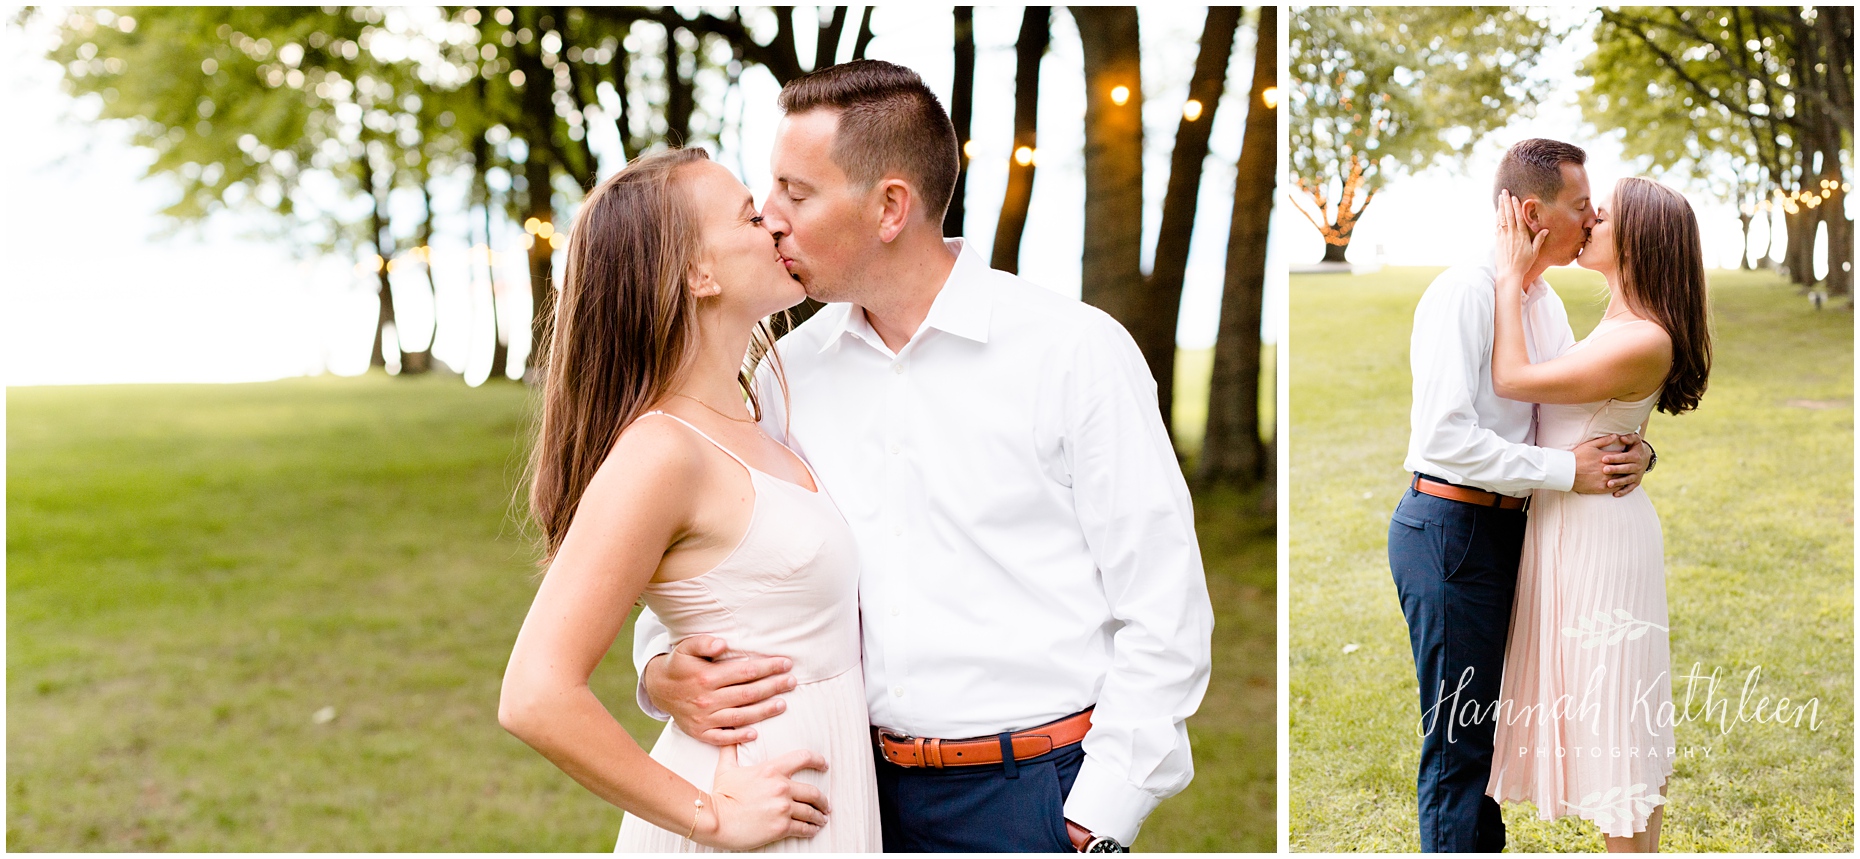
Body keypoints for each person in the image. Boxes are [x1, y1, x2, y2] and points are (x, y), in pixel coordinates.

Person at [633, 60, 1215, 852]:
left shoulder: (1074, 353)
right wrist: (659, 667)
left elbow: (1164, 605)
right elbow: (713, 559)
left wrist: (1095, 815)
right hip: (845, 792)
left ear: (890, 208)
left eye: (795, 193)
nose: (769, 217)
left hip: (1032, 793)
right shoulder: (784, 377)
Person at [497, 147, 882, 851]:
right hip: (751, 810)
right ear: (697, 272)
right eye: (747, 214)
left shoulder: (759, 411)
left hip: (821, 794)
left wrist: (659, 667)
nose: (773, 221)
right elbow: (534, 692)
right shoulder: (661, 452)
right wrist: (710, 814)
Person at [1386, 138, 1653, 853]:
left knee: (1491, 730)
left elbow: (1567, 413)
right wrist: (1569, 472)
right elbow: (1446, 439)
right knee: (1459, 742)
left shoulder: (1542, 303)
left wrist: (1637, 447)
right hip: (1451, 530)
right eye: (1580, 205)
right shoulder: (1465, 292)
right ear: (1533, 212)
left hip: (1516, 529)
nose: (1594, 215)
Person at [1485, 177, 1711, 852]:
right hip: (1569, 526)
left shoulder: (1643, 336)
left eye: (1600, 214)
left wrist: (1508, 276)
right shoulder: (1618, 322)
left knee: (1616, 726)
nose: (1586, 219)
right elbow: (1599, 418)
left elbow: (1513, 380)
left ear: (1639, 240)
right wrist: (1641, 445)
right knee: (1602, 721)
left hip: (1601, 542)